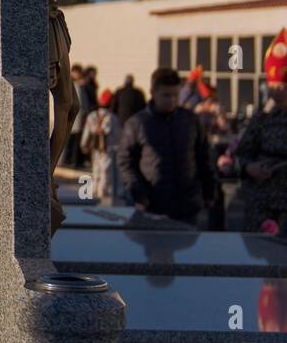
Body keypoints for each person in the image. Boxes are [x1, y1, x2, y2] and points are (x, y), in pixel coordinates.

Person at [118, 67, 216, 226]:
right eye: (166, 95)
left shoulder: (190, 121)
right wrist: (138, 193)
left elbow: (203, 157)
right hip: (152, 207)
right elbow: (125, 162)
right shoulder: (137, 124)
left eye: (175, 95)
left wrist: (209, 190)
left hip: (187, 208)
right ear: (153, 92)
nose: (171, 100)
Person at [231, 29, 287, 232]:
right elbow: (240, 157)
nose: (276, 93)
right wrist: (249, 168)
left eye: (281, 87)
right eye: (272, 87)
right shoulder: (261, 119)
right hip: (261, 207)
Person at [80, 89, 120, 204]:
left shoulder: (92, 116)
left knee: (96, 168)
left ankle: (94, 190)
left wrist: (83, 144)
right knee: (106, 170)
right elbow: (116, 135)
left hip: (95, 148)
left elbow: (87, 132)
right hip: (108, 148)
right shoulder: (112, 117)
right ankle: (103, 191)